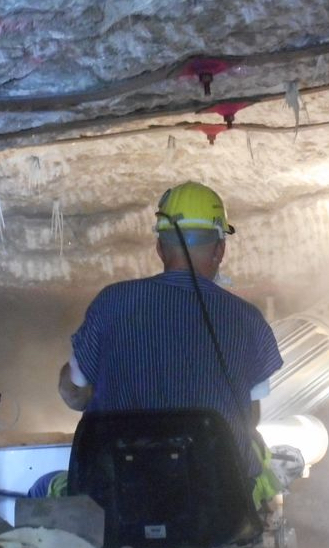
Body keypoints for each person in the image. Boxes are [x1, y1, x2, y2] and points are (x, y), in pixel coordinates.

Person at [44, 181, 283, 502]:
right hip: (217, 507)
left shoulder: (111, 303)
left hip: (116, 503)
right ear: (219, 250)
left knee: (42, 487)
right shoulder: (248, 320)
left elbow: (73, 394)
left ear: (160, 248)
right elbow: (250, 417)